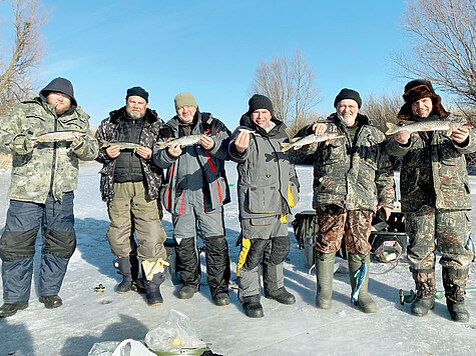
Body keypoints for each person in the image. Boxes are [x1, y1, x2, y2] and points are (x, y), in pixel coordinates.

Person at [0, 77, 99, 317]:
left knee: (60, 243)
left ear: (71, 100)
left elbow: (93, 150)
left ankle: (50, 291)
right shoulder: (25, 110)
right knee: (16, 244)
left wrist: (80, 146)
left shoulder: (80, 119)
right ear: (47, 94)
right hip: (27, 191)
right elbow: (3, 138)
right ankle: (15, 298)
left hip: (61, 193)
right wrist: (25, 142)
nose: (61, 98)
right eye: (56, 94)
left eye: (66, 96)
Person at [297, 88, 395, 313]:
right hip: (331, 198)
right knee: (327, 243)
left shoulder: (374, 134)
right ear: (336, 107)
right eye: (342, 105)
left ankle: (361, 294)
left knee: (360, 246)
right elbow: (303, 146)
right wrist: (310, 130)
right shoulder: (324, 128)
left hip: (363, 199)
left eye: (351, 105)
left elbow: (384, 170)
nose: (347, 109)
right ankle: (324, 292)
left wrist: (387, 200)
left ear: (358, 108)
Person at [387, 80, 475, 322]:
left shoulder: (453, 120)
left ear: (433, 101)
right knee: (420, 251)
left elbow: (473, 143)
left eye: (425, 101)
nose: (420, 107)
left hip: (453, 201)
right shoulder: (404, 126)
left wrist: (463, 139)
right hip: (418, 201)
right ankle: (424, 295)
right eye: (415, 103)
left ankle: (456, 299)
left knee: (456, 252)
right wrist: (400, 141)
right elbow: (391, 152)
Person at [153, 92, 231, 306]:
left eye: (188, 107)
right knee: (184, 240)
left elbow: (229, 150)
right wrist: (169, 155)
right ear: (176, 110)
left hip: (209, 192)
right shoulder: (166, 130)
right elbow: (157, 159)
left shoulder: (213, 125)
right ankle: (189, 282)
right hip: (180, 193)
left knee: (215, 241)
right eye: (180, 108)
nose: (185, 111)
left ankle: (219, 287)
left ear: (195, 107)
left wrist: (213, 146)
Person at [229, 94, 300, 318]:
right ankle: (249, 295)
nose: (260, 116)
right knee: (253, 252)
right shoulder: (244, 133)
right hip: (256, 206)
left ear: (271, 114)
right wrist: (238, 149)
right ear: (251, 115)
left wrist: (294, 187)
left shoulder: (281, 135)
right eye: (256, 112)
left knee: (278, 249)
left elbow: (289, 167)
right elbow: (235, 151)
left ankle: (275, 287)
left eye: (264, 112)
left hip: (281, 205)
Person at [95, 86, 168, 306]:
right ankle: (128, 277)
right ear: (126, 102)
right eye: (132, 101)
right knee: (118, 234)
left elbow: (167, 153)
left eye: (140, 102)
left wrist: (154, 154)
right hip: (116, 186)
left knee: (152, 236)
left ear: (146, 104)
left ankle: (152, 285)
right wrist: (105, 154)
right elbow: (94, 149)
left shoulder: (158, 125)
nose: (136, 105)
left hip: (146, 187)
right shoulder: (110, 123)